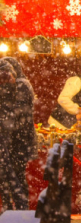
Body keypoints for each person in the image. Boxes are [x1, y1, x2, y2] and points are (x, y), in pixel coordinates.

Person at [0, 57, 36, 210]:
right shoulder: (20, 84)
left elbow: (16, 114)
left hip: (16, 140)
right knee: (13, 176)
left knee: (15, 176)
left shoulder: (20, 86)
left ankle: (19, 210)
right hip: (15, 139)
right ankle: (16, 210)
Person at [49, 62, 81, 130]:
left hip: (74, 126)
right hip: (60, 124)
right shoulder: (77, 80)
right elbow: (63, 99)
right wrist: (78, 110)